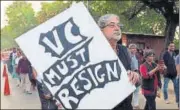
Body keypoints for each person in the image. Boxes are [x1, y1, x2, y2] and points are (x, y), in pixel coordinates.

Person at [97, 14, 140, 110]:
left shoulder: (125, 50)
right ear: (101, 30)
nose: (117, 28)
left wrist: (135, 76)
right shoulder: (93, 53)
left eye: (118, 25)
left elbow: (137, 78)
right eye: (112, 25)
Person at [128, 44, 140, 109]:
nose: (133, 49)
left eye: (135, 48)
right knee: (130, 90)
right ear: (129, 49)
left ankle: (136, 104)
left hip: (137, 73)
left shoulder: (136, 56)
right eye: (132, 48)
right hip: (130, 74)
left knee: (137, 89)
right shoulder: (127, 56)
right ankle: (129, 104)